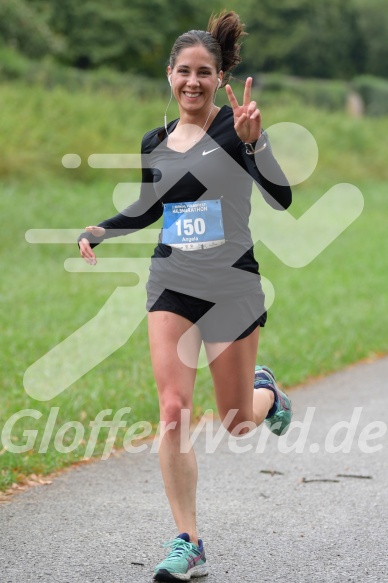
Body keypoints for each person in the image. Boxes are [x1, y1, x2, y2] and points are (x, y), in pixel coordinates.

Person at [78, 10, 292, 582]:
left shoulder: (237, 128)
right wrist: (100, 228)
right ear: (169, 76)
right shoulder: (155, 140)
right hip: (172, 282)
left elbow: (282, 198)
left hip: (232, 285)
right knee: (173, 411)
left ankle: (265, 392)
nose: (192, 82)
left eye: (204, 72)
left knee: (237, 421)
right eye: (183, 72)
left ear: (219, 77)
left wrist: (257, 145)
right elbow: (150, 209)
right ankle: (187, 542)